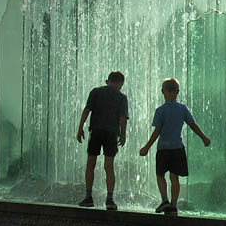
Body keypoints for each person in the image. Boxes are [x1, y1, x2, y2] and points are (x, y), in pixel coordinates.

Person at [139, 77, 210, 215]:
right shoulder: (182, 108)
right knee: (174, 176)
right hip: (178, 148)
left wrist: (146, 147)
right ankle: (174, 204)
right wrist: (204, 138)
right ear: (178, 92)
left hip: (163, 148)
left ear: (162, 92)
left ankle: (164, 200)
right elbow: (193, 125)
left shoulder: (160, 110)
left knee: (160, 175)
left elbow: (157, 131)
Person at [76, 71, 129, 210]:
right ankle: (110, 199)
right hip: (111, 133)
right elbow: (122, 119)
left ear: (107, 81)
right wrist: (123, 135)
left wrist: (80, 127)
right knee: (109, 166)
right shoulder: (122, 97)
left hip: (96, 131)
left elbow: (87, 110)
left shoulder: (96, 91)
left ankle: (88, 197)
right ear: (121, 84)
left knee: (91, 163)